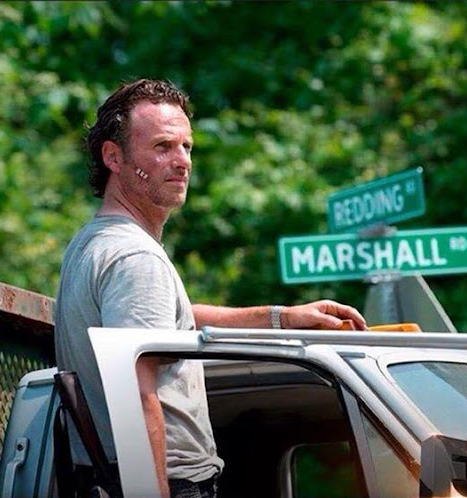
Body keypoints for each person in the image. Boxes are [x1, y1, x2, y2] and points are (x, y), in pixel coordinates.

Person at [55, 78, 367, 498]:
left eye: (187, 147)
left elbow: (171, 319)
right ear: (113, 156)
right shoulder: (135, 258)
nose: (182, 161)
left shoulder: (93, 242)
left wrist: (282, 318)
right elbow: (137, 390)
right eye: (163, 147)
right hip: (166, 482)